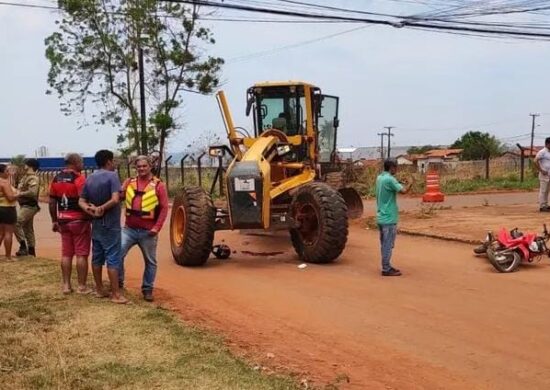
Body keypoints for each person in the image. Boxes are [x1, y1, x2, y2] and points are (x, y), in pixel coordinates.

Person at [79, 150, 128, 304]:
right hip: (111, 225)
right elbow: (115, 199)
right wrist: (101, 208)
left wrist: (91, 210)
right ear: (108, 161)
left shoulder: (90, 178)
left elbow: (81, 201)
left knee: (97, 257)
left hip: (96, 225)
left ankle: (99, 289)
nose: (113, 164)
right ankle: (116, 294)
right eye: (112, 161)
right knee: (113, 259)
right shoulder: (112, 176)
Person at [120, 155, 169, 302]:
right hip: (129, 229)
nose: (141, 169)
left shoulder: (159, 185)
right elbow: (118, 196)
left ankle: (147, 289)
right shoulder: (129, 182)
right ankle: (118, 283)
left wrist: (157, 227)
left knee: (150, 261)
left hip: (148, 232)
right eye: (139, 166)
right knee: (118, 255)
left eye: (144, 166)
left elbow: (164, 208)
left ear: (150, 167)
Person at [49, 153, 92, 294]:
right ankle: (82, 286)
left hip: (63, 221)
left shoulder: (56, 178)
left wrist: (54, 220)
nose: (83, 165)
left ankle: (66, 285)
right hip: (79, 220)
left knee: (66, 254)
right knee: (81, 254)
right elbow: (83, 199)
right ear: (74, 162)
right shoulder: (79, 179)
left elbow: (52, 201)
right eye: (81, 162)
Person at [375, 159, 413, 276]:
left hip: (381, 216)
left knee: (384, 243)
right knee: (388, 244)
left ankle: (386, 265)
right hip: (389, 217)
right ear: (391, 167)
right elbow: (404, 191)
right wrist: (411, 183)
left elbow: (392, 186)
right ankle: (386, 268)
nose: (396, 169)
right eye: (395, 167)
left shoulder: (380, 178)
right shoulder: (390, 179)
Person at [15, 158, 40, 257]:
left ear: (29, 166)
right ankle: (31, 250)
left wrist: (19, 194)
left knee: (16, 222)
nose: (24, 166)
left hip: (29, 206)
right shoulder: (25, 177)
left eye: (25, 164)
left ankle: (23, 246)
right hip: (25, 205)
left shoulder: (33, 178)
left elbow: (32, 192)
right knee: (27, 228)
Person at [0, 164, 18, 259]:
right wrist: (19, 194)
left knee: (1, 233)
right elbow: (10, 198)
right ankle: (8, 256)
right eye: (7, 171)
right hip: (7, 209)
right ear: (1, 172)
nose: (8, 173)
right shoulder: (4, 183)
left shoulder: (5, 182)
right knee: (8, 233)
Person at [534, 137, 550, 212]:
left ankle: (546, 205)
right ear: (547, 144)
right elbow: (535, 161)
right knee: (543, 190)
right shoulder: (542, 152)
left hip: (549, 174)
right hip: (544, 174)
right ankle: (542, 206)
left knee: (547, 190)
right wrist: (541, 170)